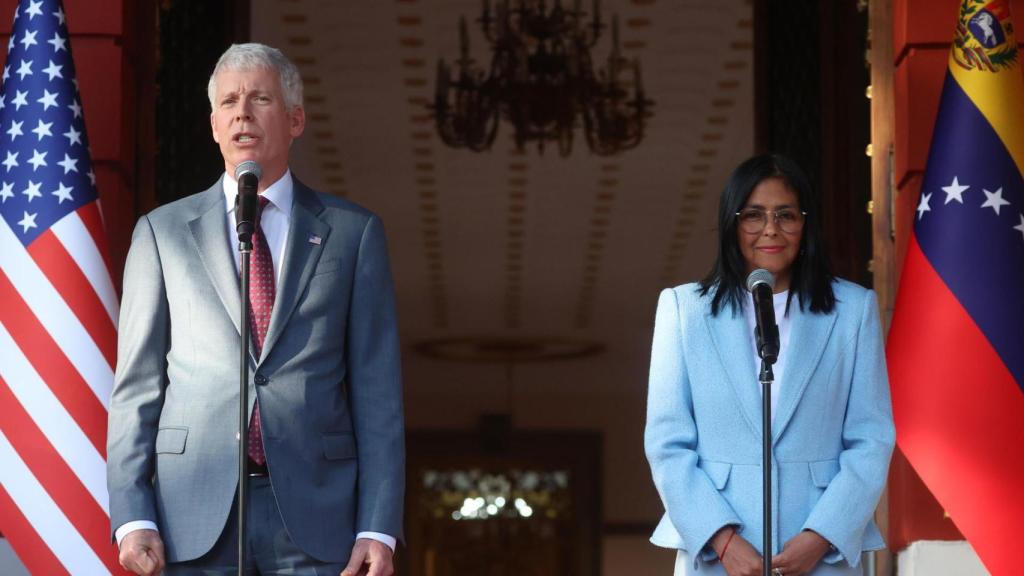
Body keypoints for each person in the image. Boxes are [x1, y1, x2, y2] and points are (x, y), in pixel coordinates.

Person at [107, 43, 404, 576]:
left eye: (260, 98)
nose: (242, 111)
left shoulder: (353, 234)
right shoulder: (161, 232)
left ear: (295, 119)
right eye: (229, 102)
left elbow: (377, 390)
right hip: (190, 514)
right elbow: (137, 386)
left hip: (317, 515)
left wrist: (377, 525)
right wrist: (132, 516)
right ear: (214, 125)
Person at [644, 154, 894, 576]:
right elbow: (667, 444)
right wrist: (722, 542)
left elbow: (871, 438)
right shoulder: (683, 310)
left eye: (786, 215)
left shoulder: (854, 310)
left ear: (805, 223)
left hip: (821, 555)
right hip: (716, 556)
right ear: (732, 223)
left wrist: (820, 537)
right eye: (754, 215)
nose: (771, 229)